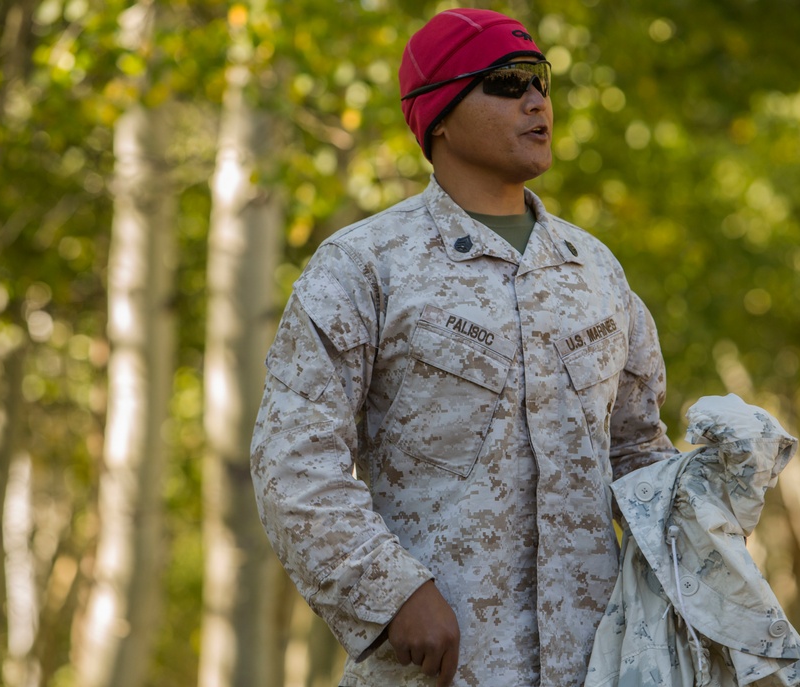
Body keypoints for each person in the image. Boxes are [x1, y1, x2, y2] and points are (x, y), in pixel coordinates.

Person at [250, 8, 676, 686]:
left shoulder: (596, 271)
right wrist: (391, 592)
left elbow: (638, 454)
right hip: (442, 672)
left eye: (540, 80)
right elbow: (293, 463)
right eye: (507, 83)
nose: (537, 100)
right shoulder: (364, 266)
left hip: (600, 667)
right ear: (438, 113)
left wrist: (711, 509)